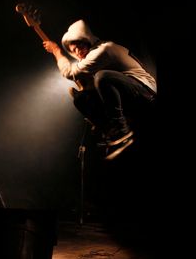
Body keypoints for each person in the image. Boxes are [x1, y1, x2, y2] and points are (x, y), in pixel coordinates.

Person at [43, 19, 157, 160]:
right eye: (73, 50)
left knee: (102, 76)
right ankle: (113, 131)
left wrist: (56, 51)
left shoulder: (104, 49)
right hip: (130, 95)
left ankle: (121, 130)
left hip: (146, 92)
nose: (77, 52)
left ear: (88, 40)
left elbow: (69, 72)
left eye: (80, 46)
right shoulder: (95, 57)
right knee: (80, 97)